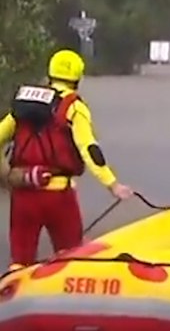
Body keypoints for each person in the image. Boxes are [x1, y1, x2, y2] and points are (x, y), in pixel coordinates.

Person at [0, 49, 132, 270]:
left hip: (24, 194)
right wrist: (112, 184)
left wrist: (7, 175)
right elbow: (89, 148)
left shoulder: (23, 106)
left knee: (20, 262)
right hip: (59, 197)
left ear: (50, 73)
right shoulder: (74, 107)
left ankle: (13, 299)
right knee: (71, 257)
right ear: (77, 78)